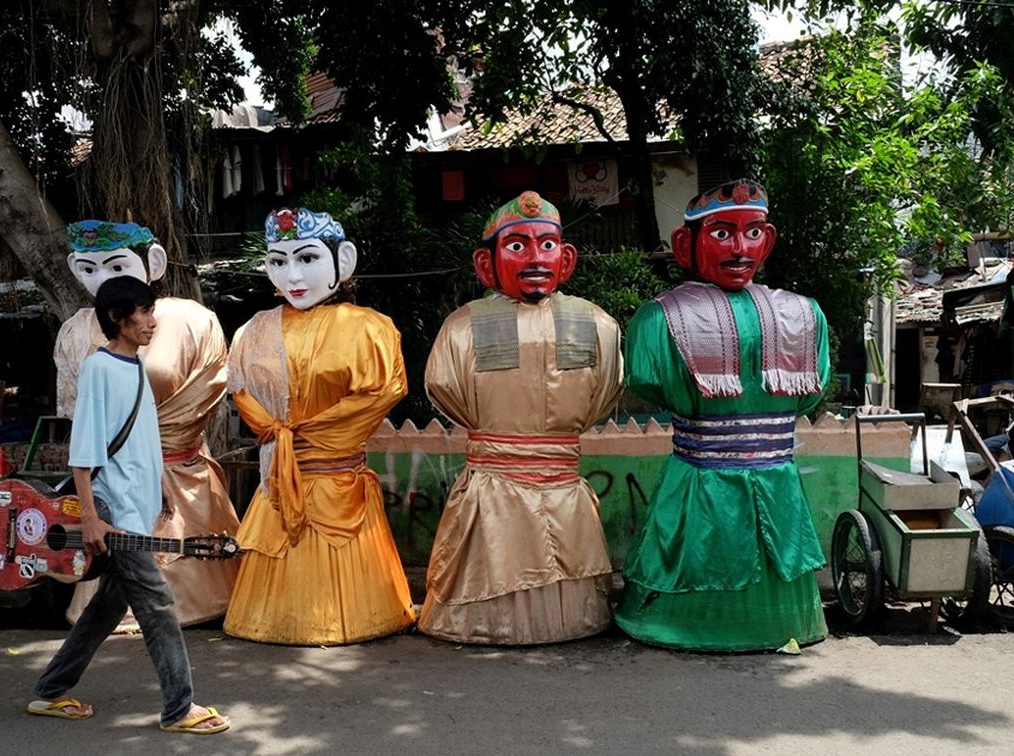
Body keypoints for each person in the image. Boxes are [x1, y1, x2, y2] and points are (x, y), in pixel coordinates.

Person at [614, 179, 830, 652]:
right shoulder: (805, 315)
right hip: (769, 477)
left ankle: (688, 624)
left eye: (752, 233)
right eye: (721, 234)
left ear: (768, 240)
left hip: (699, 478)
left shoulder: (658, 319)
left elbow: (650, 384)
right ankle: (774, 627)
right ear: (685, 245)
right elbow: (810, 398)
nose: (739, 248)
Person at [419, 191, 624, 645]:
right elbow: (445, 386)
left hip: (535, 479)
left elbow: (608, 386)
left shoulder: (598, 324)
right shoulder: (463, 326)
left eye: (546, 245)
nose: (535, 257)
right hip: (498, 483)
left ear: (566, 259)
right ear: (487, 264)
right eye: (517, 246)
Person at [28, 276, 229, 734]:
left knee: (106, 609)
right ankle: (180, 709)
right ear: (119, 318)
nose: (152, 321)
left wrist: (158, 484)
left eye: (151, 311)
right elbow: (84, 453)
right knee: (158, 605)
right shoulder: (99, 368)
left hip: (134, 507)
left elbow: (140, 436)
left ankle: (50, 690)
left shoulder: (133, 365)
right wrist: (93, 518)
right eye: (143, 312)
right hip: (113, 511)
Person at [221, 207, 416, 645]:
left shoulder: (368, 327)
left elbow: (380, 393)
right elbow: (240, 391)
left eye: (307, 259)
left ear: (342, 261)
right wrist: (279, 432)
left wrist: (299, 435)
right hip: (281, 475)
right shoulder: (253, 330)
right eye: (278, 261)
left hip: (336, 476)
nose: (293, 275)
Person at [56, 220, 239, 628]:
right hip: (114, 481)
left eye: (116, 267)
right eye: (88, 269)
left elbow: (205, 392)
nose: (102, 279)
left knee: (156, 588)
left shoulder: (193, 320)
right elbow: (80, 429)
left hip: (178, 471)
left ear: (153, 262)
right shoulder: (75, 335)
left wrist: (160, 452)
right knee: (118, 590)